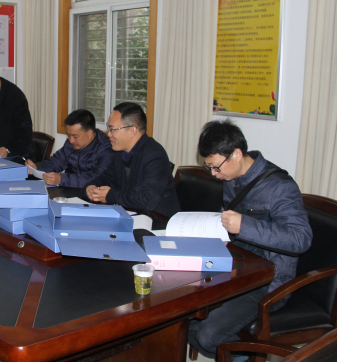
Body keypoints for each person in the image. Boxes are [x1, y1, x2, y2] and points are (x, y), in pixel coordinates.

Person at [187, 119, 312, 362]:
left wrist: (245, 226)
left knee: (208, 335)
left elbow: (301, 239)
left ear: (236, 154)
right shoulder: (231, 178)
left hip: (268, 281)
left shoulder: (280, 187)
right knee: (174, 314)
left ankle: (245, 356)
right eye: (209, 167)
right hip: (236, 268)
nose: (214, 174)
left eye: (216, 167)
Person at [83, 102, 180, 223]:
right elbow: (106, 178)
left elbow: (147, 200)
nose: (109, 134)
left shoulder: (155, 155)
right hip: (132, 216)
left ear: (132, 131)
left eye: (113, 129)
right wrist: (91, 187)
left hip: (158, 222)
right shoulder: (119, 152)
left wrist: (110, 195)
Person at [25, 109, 113, 188]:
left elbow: (98, 178)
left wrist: (61, 179)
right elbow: (55, 163)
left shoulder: (106, 148)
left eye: (75, 136)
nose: (71, 140)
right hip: (70, 190)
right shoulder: (72, 143)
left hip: (92, 195)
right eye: (68, 135)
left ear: (89, 133)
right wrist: (37, 167)